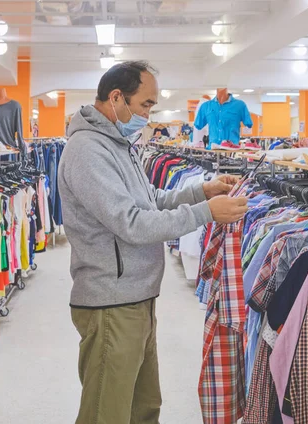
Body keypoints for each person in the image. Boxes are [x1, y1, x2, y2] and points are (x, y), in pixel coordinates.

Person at [58, 60, 248, 424]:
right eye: (145, 104)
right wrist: (206, 212)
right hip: (111, 303)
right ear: (116, 98)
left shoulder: (118, 144)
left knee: (143, 409)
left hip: (137, 297)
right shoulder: (87, 150)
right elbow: (132, 224)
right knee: (107, 413)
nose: (148, 115)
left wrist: (199, 191)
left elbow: (151, 201)